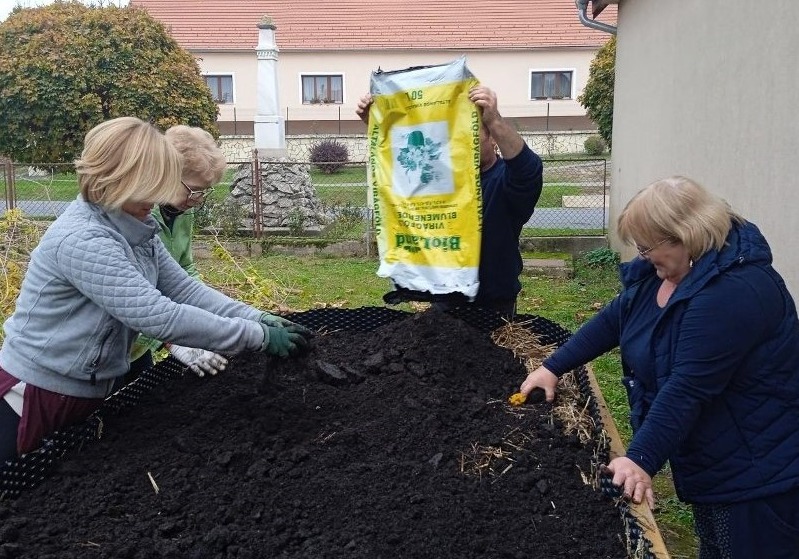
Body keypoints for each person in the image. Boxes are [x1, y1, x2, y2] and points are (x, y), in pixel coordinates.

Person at [0, 117, 313, 463]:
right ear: (118, 178)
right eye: (154, 182)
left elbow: (184, 289)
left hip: (84, 391)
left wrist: (258, 317)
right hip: (33, 397)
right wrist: (258, 337)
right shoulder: (84, 239)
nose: (162, 194)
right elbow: (159, 316)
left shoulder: (137, 226)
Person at [518, 176, 799, 558]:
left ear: (683, 235)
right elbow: (615, 319)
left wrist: (639, 460)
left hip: (756, 472)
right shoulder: (668, 273)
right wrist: (553, 367)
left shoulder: (733, 294)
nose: (643, 255)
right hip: (714, 461)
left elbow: (688, 388)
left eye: (648, 246)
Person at [356, 85, 543, 319]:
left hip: (493, 304)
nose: (465, 139)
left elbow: (528, 170)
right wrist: (376, 122)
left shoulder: (504, 180)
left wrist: (494, 119)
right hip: (445, 299)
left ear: (494, 140)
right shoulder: (444, 179)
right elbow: (405, 157)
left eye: (474, 131)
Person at [125, 124, 229, 383]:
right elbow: (130, 297)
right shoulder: (133, 218)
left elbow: (185, 268)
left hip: (140, 346)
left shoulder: (183, 212)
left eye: (204, 192)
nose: (196, 200)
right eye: (193, 190)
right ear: (166, 174)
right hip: (111, 341)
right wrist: (173, 340)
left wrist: (209, 315)